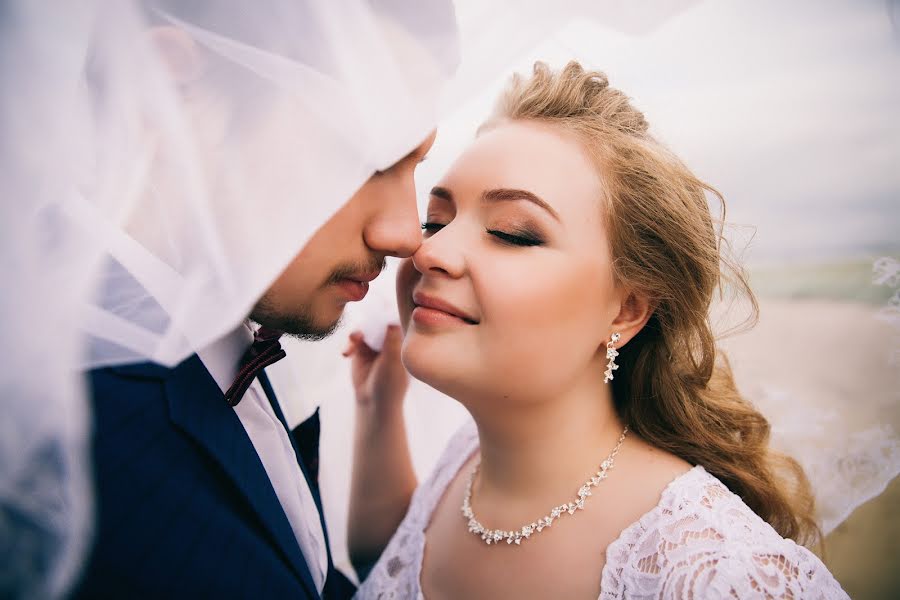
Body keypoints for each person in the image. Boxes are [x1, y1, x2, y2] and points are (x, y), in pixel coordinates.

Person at [346, 61, 849, 598]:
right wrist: (379, 411)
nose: (429, 251)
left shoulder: (720, 573)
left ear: (626, 311)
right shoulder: (467, 458)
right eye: (436, 221)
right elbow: (393, 555)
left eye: (511, 233)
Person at [66, 2, 459, 598]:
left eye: (414, 167)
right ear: (169, 94)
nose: (407, 235)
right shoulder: (68, 422)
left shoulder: (223, 332)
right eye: (369, 156)